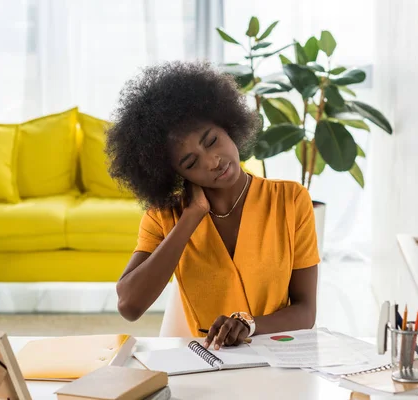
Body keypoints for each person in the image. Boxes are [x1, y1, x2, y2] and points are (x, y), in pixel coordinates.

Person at [106, 60, 319, 350]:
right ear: (174, 174)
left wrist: (248, 325)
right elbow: (129, 305)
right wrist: (191, 218)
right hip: (206, 363)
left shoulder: (291, 200)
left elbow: (306, 311)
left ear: (228, 125)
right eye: (191, 162)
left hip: (278, 360)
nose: (212, 161)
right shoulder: (165, 217)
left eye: (212, 141)